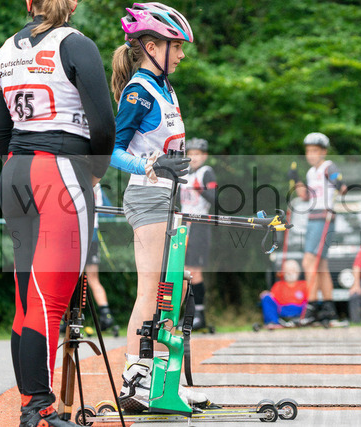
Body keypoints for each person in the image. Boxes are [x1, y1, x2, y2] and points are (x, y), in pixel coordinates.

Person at [0, 0, 115, 425]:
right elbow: (103, 124)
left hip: (15, 170)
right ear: (73, 3)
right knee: (48, 300)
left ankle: (32, 404)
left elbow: (0, 129)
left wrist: (16, 164)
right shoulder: (76, 43)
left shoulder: (4, 50)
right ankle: (39, 409)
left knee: (26, 299)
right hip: (60, 169)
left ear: (29, 3)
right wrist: (95, 172)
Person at [109, 2, 214, 413]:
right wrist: (151, 165)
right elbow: (113, 151)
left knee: (175, 288)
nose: (182, 54)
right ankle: (135, 381)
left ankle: (165, 382)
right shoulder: (138, 90)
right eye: (177, 46)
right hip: (148, 195)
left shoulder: (165, 87)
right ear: (152, 47)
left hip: (170, 198)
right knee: (152, 289)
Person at [292, 132, 346, 324]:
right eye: (308, 151)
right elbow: (305, 196)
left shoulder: (328, 167)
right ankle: (329, 309)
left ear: (323, 152)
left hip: (324, 217)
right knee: (321, 265)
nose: (311, 155)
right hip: (312, 217)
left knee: (309, 262)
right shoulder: (310, 172)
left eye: (315, 150)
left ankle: (312, 306)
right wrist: (296, 181)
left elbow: (342, 186)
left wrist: (339, 183)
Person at [178, 137, 217, 330]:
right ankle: (187, 314)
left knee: (193, 271)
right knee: (183, 270)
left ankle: (198, 314)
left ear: (204, 156)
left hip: (200, 225)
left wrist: (198, 189)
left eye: (198, 154)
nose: (194, 158)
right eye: (191, 154)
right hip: (184, 225)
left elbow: (215, 198)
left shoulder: (206, 172)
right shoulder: (184, 172)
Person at [86, 183, 117, 332]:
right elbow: (109, 213)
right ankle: (106, 315)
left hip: (74, 234)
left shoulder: (72, 178)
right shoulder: (97, 185)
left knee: (68, 279)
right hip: (92, 236)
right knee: (93, 280)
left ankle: (64, 320)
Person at [260, 260, 308, 327]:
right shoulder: (278, 285)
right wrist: (266, 295)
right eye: (287, 270)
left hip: (300, 309)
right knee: (266, 297)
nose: (290, 272)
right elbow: (273, 298)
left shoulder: (304, 285)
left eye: (293, 270)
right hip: (283, 309)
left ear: (298, 272)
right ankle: (273, 322)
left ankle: (308, 320)